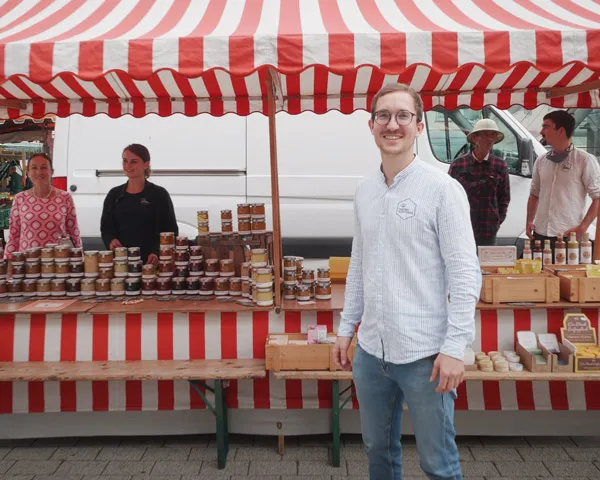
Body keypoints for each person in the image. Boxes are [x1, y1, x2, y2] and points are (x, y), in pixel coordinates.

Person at [332, 83, 481, 480]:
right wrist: (346, 329)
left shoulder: (443, 190)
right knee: (377, 451)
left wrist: (455, 346)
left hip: (426, 356)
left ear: (418, 126)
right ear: (371, 125)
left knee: (438, 463)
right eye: (383, 116)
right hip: (371, 352)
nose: (392, 124)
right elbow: (359, 263)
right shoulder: (365, 190)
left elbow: (465, 273)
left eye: (403, 116)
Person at [526, 110, 600, 247]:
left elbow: (598, 198)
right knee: (536, 269)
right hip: (540, 233)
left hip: (568, 234)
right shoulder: (541, 160)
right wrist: (529, 220)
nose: (542, 131)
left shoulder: (584, 160)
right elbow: (534, 194)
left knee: (564, 269)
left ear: (561, 131)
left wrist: (582, 228)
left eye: (546, 127)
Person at [100, 144, 178, 265]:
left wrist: (157, 253)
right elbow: (106, 228)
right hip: (122, 265)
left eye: (134, 161)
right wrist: (110, 240)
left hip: (151, 264)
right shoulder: (114, 195)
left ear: (146, 164)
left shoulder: (159, 194)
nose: (128, 165)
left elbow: (170, 230)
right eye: (125, 161)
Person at [5, 153, 81, 258]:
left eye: (44, 167)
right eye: (34, 168)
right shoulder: (20, 199)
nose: (39, 172)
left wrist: (79, 261)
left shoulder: (65, 197)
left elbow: (74, 233)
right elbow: (14, 236)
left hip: (59, 262)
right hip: (28, 264)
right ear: (28, 173)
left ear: (52, 172)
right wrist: (8, 264)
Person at [449, 119, 510, 247]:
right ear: (475, 138)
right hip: (462, 228)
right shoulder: (458, 165)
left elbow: (504, 198)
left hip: (488, 230)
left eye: (493, 135)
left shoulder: (500, 165)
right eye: (486, 134)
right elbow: (449, 197)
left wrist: (496, 222)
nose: (490, 139)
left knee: (487, 266)